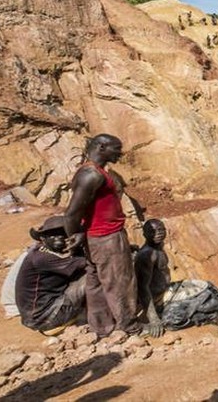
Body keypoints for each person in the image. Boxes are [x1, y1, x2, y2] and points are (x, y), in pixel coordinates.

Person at [64, 134, 143, 337]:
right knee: (120, 281)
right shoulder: (92, 175)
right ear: (101, 147)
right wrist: (75, 235)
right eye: (115, 148)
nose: (119, 153)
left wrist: (82, 234)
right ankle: (129, 325)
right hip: (106, 237)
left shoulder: (93, 172)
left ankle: (102, 327)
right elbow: (72, 212)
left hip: (96, 236)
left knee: (97, 283)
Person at [134, 219, 218, 337]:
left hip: (168, 289)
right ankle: (216, 314)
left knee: (206, 285)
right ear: (144, 234)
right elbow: (143, 288)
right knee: (199, 303)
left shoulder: (158, 247)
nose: (158, 234)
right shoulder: (147, 255)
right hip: (159, 299)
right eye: (153, 231)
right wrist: (154, 318)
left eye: (161, 230)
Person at [15, 215, 87, 334]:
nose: (59, 237)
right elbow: (90, 263)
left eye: (63, 233)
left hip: (38, 315)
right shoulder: (43, 258)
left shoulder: (43, 252)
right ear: (43, 238)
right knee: (94, 274)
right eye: (52, 234)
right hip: (46, 317)